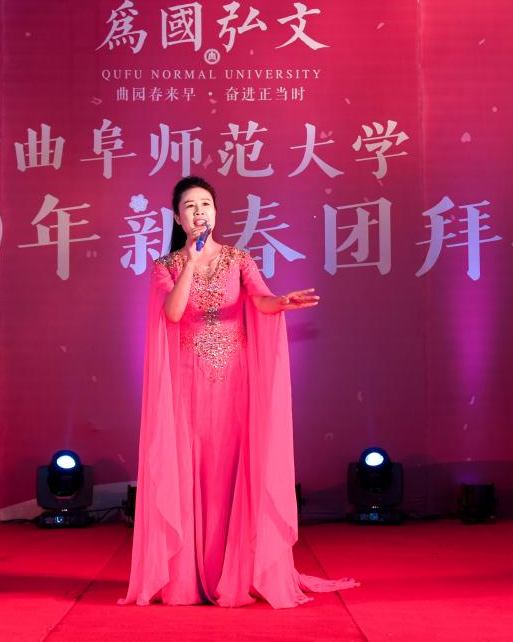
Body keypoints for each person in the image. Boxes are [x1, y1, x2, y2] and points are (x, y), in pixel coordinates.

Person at [118, 176, 358, 608]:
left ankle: (234, 573)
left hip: (233, 383)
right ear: (177, 218)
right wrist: (190, 261)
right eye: (190, 206)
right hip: (186, 386)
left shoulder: (239, 259)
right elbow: (173, 313)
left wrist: (281, 302)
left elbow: (261, 300)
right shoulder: (166, 265)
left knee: (230, 470)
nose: (199, 212)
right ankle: (187, 577)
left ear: (216, 211)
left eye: (205, 204)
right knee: (192, 470)